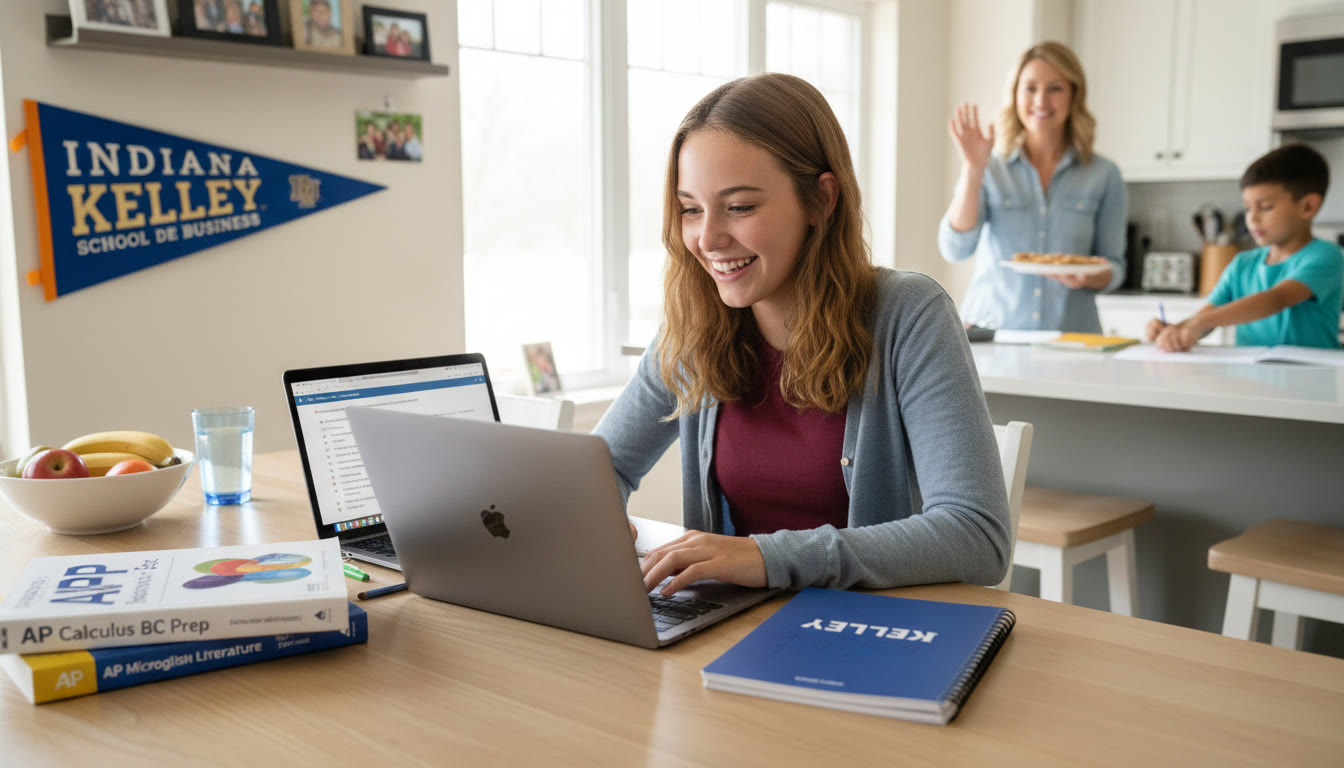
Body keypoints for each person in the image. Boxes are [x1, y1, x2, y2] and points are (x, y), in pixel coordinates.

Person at [594, 73, 1010, 597]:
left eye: (740, 207)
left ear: (821, 200)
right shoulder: (693, 327)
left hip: (862, 633)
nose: (708, 238)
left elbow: (977, 535)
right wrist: (597, 519)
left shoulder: (909, 315)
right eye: (690, 209)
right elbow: (596, 470)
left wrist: (769, 557)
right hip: (728, 628)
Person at [939, 41, 1127, 333]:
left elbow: (1115, 267)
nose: (1041, 101)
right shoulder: (990, 166)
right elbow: (955, 248)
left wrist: (1091, 277)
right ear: (1014, 95)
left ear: (1074, 95)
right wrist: (973, 170)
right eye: (1030, 88)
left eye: (1055, 88)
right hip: (992, 336)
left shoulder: (1104, 174)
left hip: (1073, 338)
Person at [1146, 145, 1344, 351]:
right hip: (1252, 377)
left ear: (1308, 206)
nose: (1252, 218)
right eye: (1247, 208)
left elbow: (1276, 299)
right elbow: (1207, 319)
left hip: (1315, 379)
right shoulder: (1242, 263)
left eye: (1265, 206)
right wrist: (1177, 330)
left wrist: (1196, 323)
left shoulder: (1327, 256)